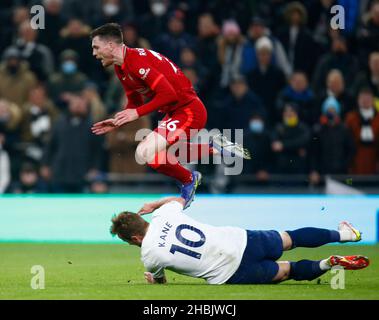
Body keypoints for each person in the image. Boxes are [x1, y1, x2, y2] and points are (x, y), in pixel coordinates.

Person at [90, 23, 250, 208]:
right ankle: (214, 148)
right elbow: (135, 103)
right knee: (156, 155)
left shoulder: (136, 62)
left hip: (189, 111)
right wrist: (119, 121)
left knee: (146, 153)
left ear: (110, 45)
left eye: (96, 47)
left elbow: (168, 95)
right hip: (175, 113)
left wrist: (136, 113)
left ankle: (190, 179)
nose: (94, 53)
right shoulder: (122, 67)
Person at [110, 196, 369, 285]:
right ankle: (346, 235)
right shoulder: (163, 214)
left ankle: (327, 264)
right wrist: (155, 204)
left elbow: (161, 281)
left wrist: (155, 279)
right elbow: (180, 200)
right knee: (291, 238)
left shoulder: (148, 255)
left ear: (134, 238)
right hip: (241, 240)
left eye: (129, 242)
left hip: (232, 272)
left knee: (287, 271)